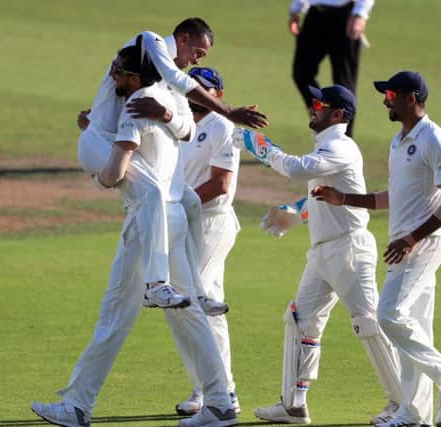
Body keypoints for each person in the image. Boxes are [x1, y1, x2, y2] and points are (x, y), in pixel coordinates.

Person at [31, 44, 238, 427]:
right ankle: (221, 403)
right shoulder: (169, 97)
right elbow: (187, 128)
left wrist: (98, 166)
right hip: (174, 215)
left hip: (148, 222)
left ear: (136, 77)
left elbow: (114, 172)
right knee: (191, 313)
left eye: (120, 74)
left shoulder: (137, 104)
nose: (114, 79)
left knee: (114, 314)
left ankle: (77, 406)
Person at [233, 85, 402, 424]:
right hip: (324, 252)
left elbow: (295, 169)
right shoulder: (326, 146)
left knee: (368, 324)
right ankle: (293, 405)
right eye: (312, 102)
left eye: (318, 104)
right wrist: (294, 212)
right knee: (299, 319)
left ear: (337, 114)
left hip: (349, 249)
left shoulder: (340, 147)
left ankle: (404, 403)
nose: (311, 108)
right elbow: (323, 195)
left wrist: (258, 144)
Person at [78, 18, 267, 314]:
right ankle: (154, 286)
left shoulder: (166, 78)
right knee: (152, 193)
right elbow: (177, 81)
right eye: (198, 51)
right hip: (99, 141)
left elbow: (188, 129)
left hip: (116, 141)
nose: (196, 59)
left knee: (189, 200)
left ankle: (198, 290)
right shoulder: (150, 41)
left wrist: (166, 114)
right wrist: (229, 112)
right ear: (183, 38)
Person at [312, 71, 441, 427]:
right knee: (415, 328)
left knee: (389, 316)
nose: (385, 100)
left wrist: (413, 237)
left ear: (411, 98)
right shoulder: (400, 141)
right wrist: (344, 199)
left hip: (423, 245)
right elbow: (391, 197)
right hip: (405, 244)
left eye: (391, 94)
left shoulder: (433, 138)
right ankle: (413, 414)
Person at [175, 66, 241, 416]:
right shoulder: (183, 125)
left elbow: (221, 184)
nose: (192, 95)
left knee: (190, 303)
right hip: (186, 223)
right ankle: (212, 388)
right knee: (205, 306)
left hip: (213, 224)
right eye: (190, 88)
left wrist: (180, 204)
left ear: (215, 93)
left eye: (200, 90)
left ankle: (221, 393)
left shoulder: (222, 126)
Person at [289, 0, 374, 136]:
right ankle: (323, 120)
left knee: (344, 84)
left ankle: (344, 143)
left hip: (346, 15)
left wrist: (360, 14)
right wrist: (296, 9)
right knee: (301, 73)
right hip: (315, 13)